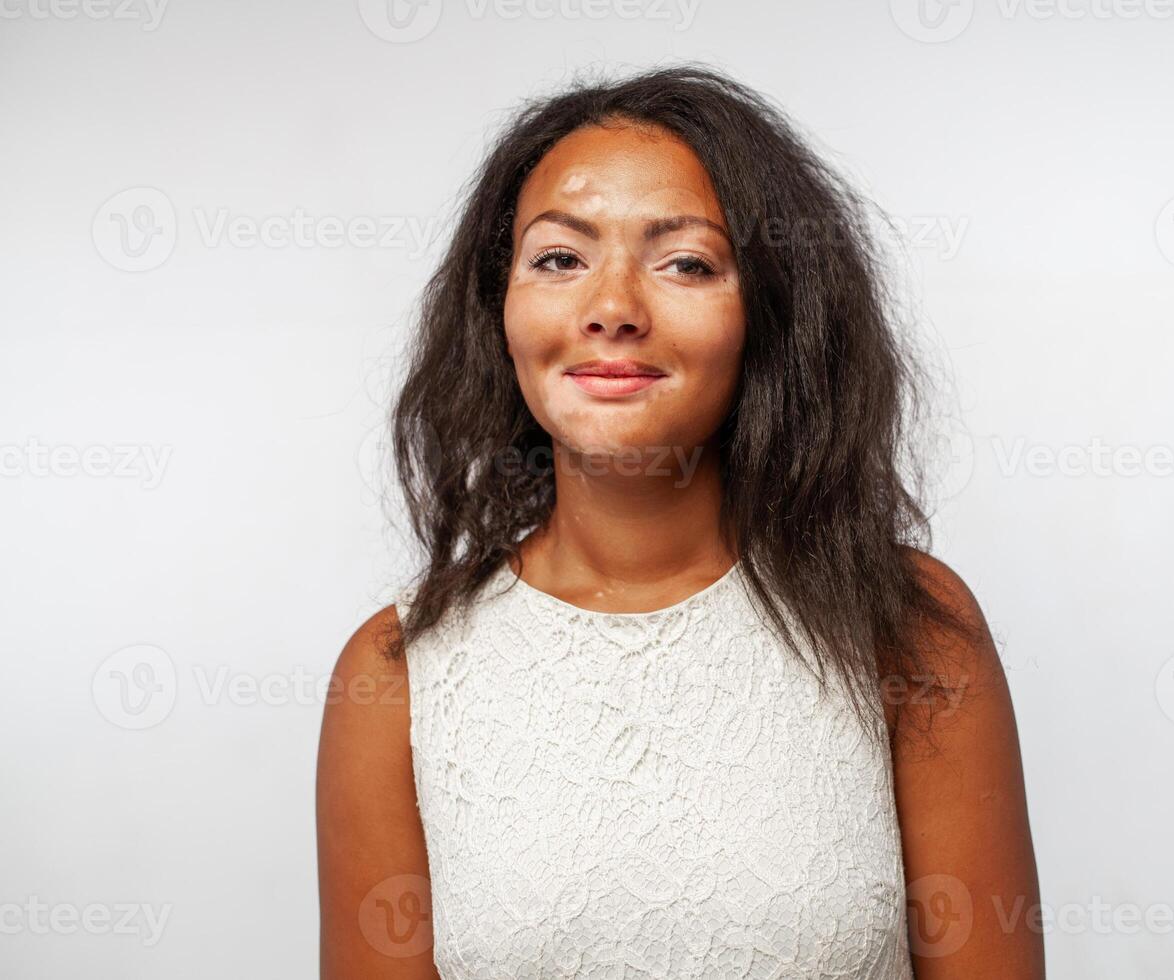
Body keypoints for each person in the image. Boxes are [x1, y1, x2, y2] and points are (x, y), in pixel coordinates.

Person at [317, 63, 1043, 979]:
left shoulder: (905, 627)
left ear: (770, 314)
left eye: (687, 263)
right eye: (559, 259)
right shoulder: (395, 679)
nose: (613, 310)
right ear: (497, 307)